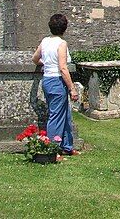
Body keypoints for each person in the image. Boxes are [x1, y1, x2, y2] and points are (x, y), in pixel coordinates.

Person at [32, 13, 79, 159]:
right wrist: (72, 88)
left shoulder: (45, 41)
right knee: (56, 116)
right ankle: (52, 150)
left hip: (47, 80)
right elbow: (63, 68)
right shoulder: (61, 43)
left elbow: (35, 59)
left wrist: (45, 63)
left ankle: (67, 146)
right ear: (64, 28)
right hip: (57, 81)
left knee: (65, 114)